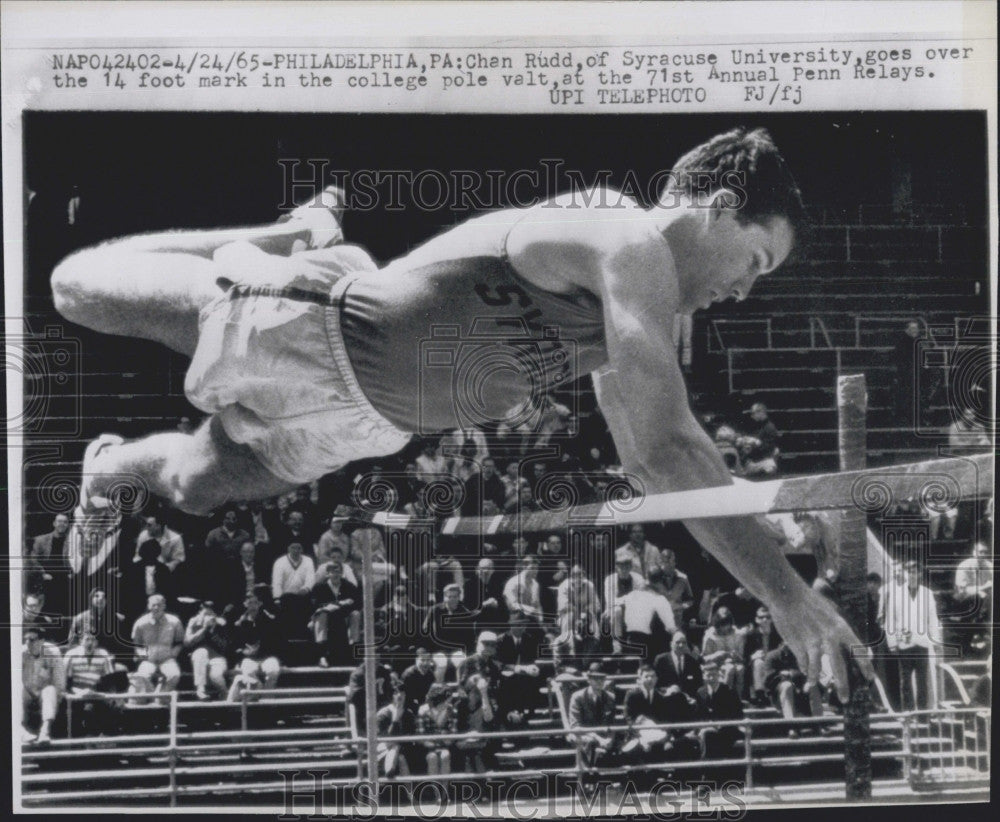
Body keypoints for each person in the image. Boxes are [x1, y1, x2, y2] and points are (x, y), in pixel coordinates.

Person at [55, 129, 868, 699]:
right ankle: (284, 234)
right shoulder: (622, 238)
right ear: (720, 205)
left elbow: (651, 459)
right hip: (310, 328)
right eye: (755, 262)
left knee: (192, 490)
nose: (743, 291)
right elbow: (668, 441)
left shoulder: (638, 316)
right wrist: (788, 597)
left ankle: (102, 472)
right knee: (76, 289)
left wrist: (768, 547)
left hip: (363, 423)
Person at [128, 594, 184, 699]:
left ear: (164, 606)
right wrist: (143, 656)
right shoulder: (140, 623)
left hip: (167, 659)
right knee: (142, 676)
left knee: (175, 675)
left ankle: (161, 696)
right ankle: (153, 695)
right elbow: (136, 644)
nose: (156, 608)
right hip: (148, 660)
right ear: (149, 606)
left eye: (159, 605)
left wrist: (173, 654)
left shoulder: (174, 622)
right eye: (153, 605)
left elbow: (179, 642)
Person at [568, 663, 620, 768]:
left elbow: (612, 723)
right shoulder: (578, 697)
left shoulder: (611, 697)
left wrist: (610, 739)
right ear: (589, 680)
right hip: (583, 734)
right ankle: (588, 774)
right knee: (589, 742)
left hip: (603, 736)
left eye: (602, 678)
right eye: (596, 678)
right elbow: (575, 726)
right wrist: (597, 738)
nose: (599, 681)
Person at [22, 627, 66, 744]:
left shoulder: (53, 652)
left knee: (51, 689)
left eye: (32, 639)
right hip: (26, 694)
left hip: (44, 695)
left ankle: (44, 732)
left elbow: (59, 681)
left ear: (42, 641)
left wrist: (58, 699)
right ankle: (21, 731)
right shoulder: (20, 653)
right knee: (16, 689)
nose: (28, 643)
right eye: (25, 639)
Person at [694, 661, 744, 759]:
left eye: (714, 675)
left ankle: (706, 768)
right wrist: (704, 726)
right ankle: (708, 770)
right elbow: (699, 714)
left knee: (709, 737)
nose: (712, 678)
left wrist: (718, 725)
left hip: (727, 730)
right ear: (704, 676)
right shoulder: (701, 692)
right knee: (706, 735)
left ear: (719, 675)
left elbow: (738, 714)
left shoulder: (729, 691)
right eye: (708, 675)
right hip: (708, 729)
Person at [184, 600, 232, 700]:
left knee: (216, 676)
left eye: (210, 612)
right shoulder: (194, 622)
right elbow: (187, 643)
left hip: (216, 657)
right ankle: (200, 689)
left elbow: (225, 647)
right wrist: (204, 629)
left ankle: (226, 696)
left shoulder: (220, 624)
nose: (207, 615)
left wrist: (212, 631)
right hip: (198, 659)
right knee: (201, 652)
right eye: (204, 612)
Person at [743, 605, 782, 705]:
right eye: (761, 617)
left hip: (774, 665)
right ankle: (760, 694)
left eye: (768, 617)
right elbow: (744, 657)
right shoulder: (751, 635)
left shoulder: (778, 635)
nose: (765, 620)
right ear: (756, 620)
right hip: (756, 667)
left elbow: (782, 653)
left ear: (772, 619)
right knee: (758, 662)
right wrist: (753, 657)